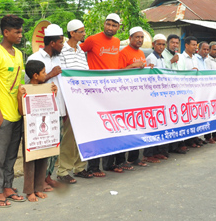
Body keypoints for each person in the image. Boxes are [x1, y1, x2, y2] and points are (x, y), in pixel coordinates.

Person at [81, 13, 132, 173]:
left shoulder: (117, 42)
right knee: (95, 128)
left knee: (112, 126)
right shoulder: (92, 39)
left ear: (118, 27)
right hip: (94, 92)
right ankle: (93, 167)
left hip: (111, 91)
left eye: (114, 25)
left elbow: (114, 64)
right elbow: (78, 53)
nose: (110, 28)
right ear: (104, 24)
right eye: (108, 24)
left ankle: (110, 164)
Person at [0, 14, 26, 206]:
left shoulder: (18, 54)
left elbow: (20, 84)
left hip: (17, 112)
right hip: (2, 114)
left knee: (11, 154)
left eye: (21, 31)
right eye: (17, 32)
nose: (20, 35)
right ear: (6, 32)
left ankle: (8, 186)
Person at [25, 24, 71, 186]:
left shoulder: (60, 58)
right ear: (52, 43)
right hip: (42, 112)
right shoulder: (34, 58)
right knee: (43, 145)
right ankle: (39, 179)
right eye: (60, 42)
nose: (62, 45)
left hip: (58, 107)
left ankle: (47, 176)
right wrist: (50, 75)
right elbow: (28, 84)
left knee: (55, 144)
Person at [56, 19, 95, 179]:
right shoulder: (62, 50)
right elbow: (64, 74)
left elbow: (85, 72)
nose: (84, 34)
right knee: (70, 135)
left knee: (83, 133)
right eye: (81, 31)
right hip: (69, 98)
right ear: (72, 33)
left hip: (82, 98)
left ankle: (80, 167)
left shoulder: (80, 51)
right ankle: (63, 170)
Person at [18, 61, 58, 202]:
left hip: (44, 129)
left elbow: (52, 107)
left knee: (43, 157)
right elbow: (22, 111)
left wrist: (54, 93)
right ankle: (29, 191)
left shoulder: (46, 88)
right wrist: (19, 96)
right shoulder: (25, 89)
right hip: (31, 131)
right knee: (30, 160)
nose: (46, 75)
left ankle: (38, 188)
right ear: (35, 75)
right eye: (43, 72)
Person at [119, 26, 151, 166]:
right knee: (124, 129)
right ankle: (120, 160)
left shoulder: (142, 53)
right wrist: (133, 65)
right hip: (126, 95)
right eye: (137, 37)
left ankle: (134, 157)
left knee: (138, 126)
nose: (140, 40)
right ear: (130, 38)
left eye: (142, 37)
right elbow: (118, 72)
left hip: (139, 95)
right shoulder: (123, 52)